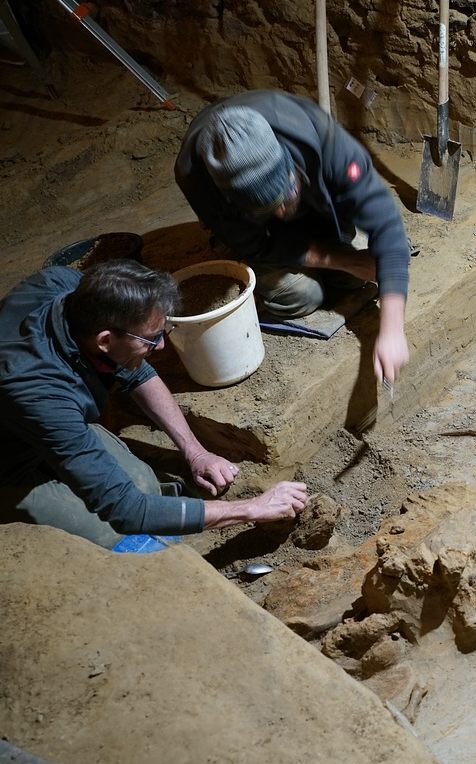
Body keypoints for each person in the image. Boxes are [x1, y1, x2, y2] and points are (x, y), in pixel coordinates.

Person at [0, 259, 308, 550]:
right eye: (151, 339)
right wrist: (252, 508)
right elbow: (126, 511)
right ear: (105, 341)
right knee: (116, 534)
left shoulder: (68, 288)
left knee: (146, 483)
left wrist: (196, 452)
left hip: (35, 425)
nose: (161, 346)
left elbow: (136, 372)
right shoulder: (41, 394)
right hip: (10, 467)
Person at [174, 89, 411, 386]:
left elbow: (386, 223)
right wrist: (346, 261)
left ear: (290, 167)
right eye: (271, 208)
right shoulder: (196, 179)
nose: (283, 211)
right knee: (303, 295)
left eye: (286, 196)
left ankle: (311, 233)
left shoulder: (324, 142)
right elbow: (258, 243)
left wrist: (391, 330)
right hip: (258, 233)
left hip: (306, 184)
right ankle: (262, 290)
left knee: (366, 265)